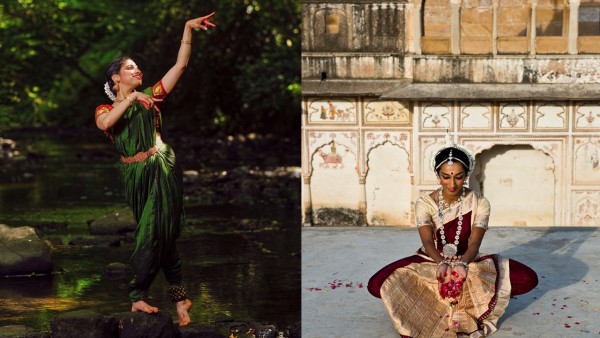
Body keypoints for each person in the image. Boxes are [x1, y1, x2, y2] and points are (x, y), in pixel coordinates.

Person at [94, 12, 216, 326]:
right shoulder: (106, 108)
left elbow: (180, 66)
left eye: (137, 67)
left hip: (161, 165)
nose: (138, 70)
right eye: (129, 68)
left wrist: (187, 31)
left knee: (151, 233)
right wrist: (133, 97)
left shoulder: (150, 96)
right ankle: (180, 299)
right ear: (115, 79)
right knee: (165, 236)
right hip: (132, 175)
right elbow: (107, 124)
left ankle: (137, 294)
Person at [367, 136, 538, 337]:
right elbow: (428, 242)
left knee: (528, 279)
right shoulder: (425, 203)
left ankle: (458, 294)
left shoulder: (479, 202)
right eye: (445, 176)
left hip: (468, 261)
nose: (452, 183)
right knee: (377, 284)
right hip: (431, 260)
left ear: (466, 175)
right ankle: (444, 294)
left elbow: (474, 242)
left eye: (458, 176)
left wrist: (462, 265)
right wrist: (440, 263)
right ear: (438, 175)